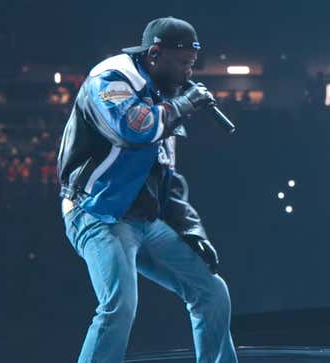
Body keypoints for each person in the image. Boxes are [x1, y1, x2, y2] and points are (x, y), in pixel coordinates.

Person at [56, 17, 238, 363]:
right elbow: (132, 128)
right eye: (183, 63)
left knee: (212, 292)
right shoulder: (111, 78)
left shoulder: (163, 97)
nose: (188, 74)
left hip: (143, 220)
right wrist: (183, 106)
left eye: (192, 65)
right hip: (97, 211)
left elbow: (166, 175)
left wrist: (190, 229)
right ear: (156, 53)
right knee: (119, 305)